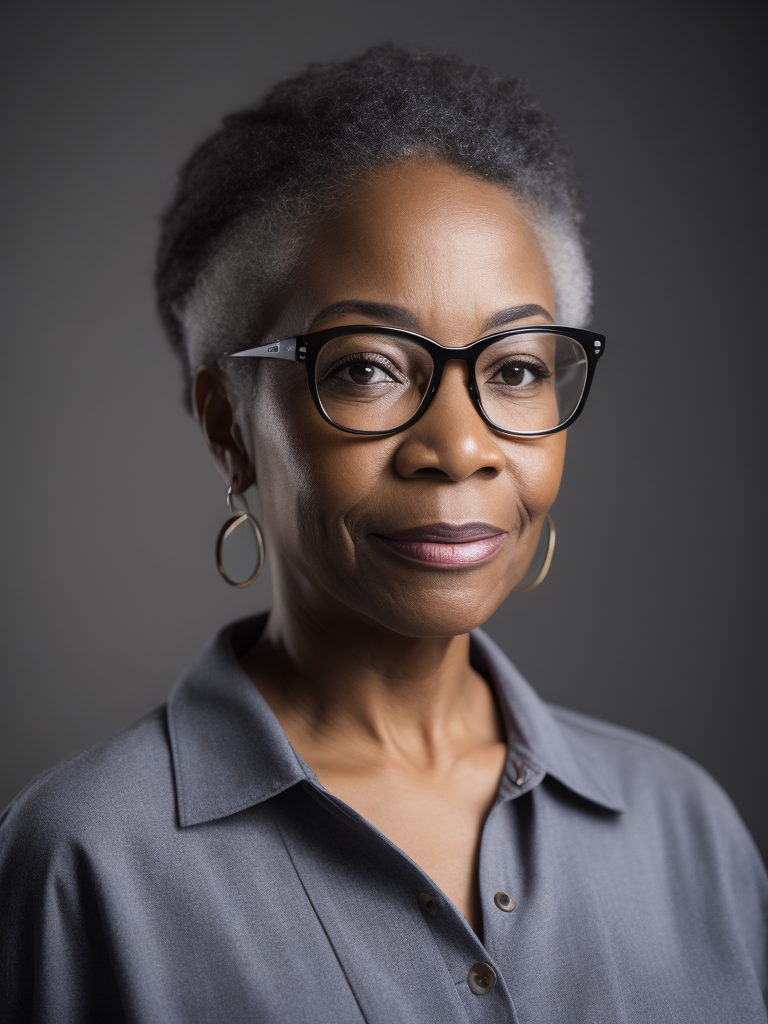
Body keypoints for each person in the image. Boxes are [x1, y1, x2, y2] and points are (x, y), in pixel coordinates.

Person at [1, 44, 766, 1024]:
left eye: (516, 369)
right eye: (367, 367)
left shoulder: (682, 824)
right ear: (228, 425)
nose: (460, 446)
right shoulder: (81, 861)